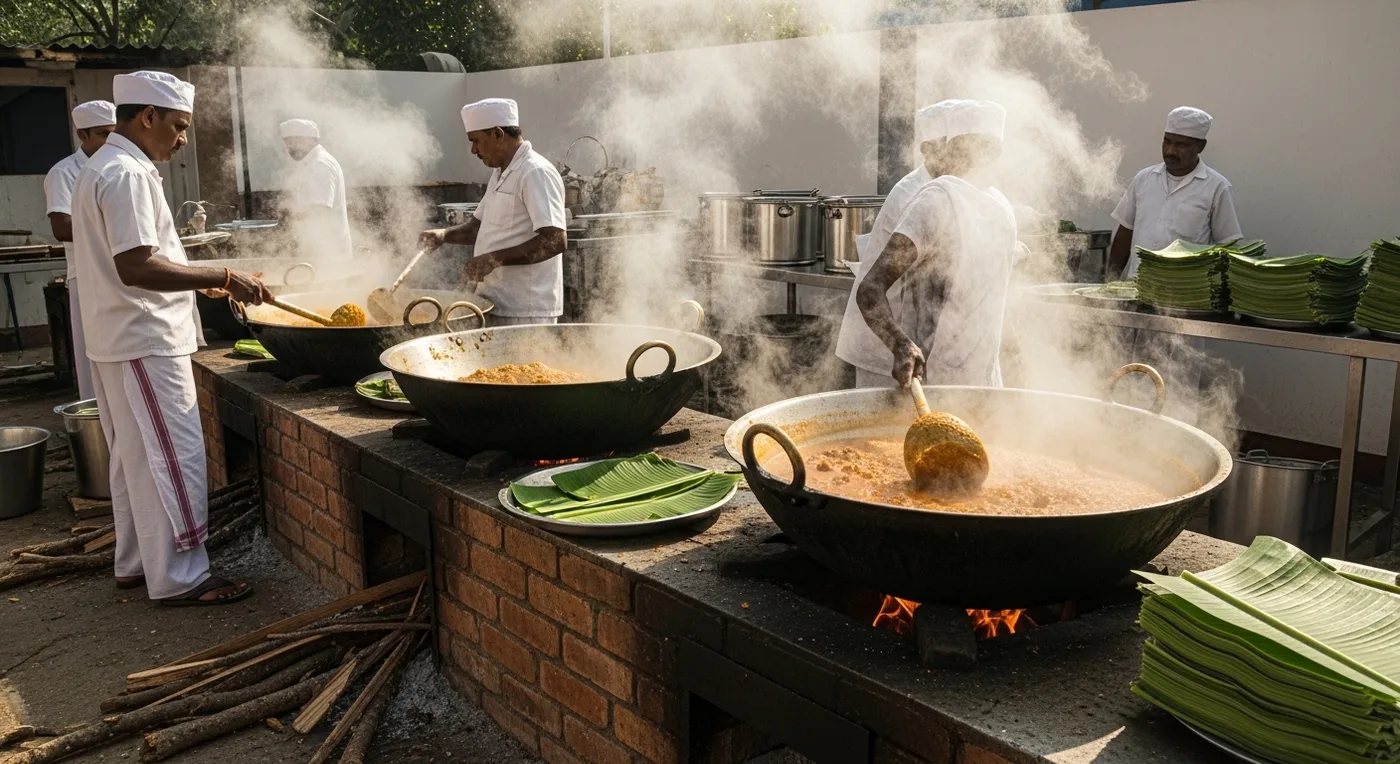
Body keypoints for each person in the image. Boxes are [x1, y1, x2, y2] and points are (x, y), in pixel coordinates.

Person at [70, 70, 270, 604]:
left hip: (121, 337)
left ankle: (137, 562)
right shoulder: (128, 174)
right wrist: (222, 277)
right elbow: (136, 265)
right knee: (172, 453)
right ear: (147, 117)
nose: (182, 140)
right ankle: (181, 577)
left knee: (135, 457)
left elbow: (140, 258)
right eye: (179, 127)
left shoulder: (105, 165)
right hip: (144, 339)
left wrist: (194, 284)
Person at [844, 99, 1018, 390]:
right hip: (915, 358)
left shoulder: (999, 205)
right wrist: (900, 343)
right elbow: (872, 289)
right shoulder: (932, 198)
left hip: (973, 375)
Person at [418, 98, 567, 326]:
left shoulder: (535, 172)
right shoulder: (500, 173)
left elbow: (556, 240)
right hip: (494, 302)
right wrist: (444, 235)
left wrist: (493, 259)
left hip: (525, 311)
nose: (473, 150)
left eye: (476, 140)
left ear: (498, 134)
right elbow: (478, 228)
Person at [1108, 106, 1242, 280]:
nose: (1171, 151)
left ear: (1200, 146)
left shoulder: (1217, 188)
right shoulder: (1143, 179)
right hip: (1137, 289)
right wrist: (1108, 286)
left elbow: (1228, 248)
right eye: (1167, 142)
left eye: (1181, 145)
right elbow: (1124, 236)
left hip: (1186, 296)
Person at [44, 100, 117, 400]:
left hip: (120, 273)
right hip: (87, 277)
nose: (108, 141)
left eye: (113, 134)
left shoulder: (118, 167)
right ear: (82, 135)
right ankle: (96, 428)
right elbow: (62, 227)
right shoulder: (64, 173)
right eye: (101, 134)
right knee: (94, 357)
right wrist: (116, 226)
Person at [278, 118, 352, 262]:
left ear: (310, 140)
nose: (290, 147)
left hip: (327, 252)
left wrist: (297, 235)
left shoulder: (320, 165)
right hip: (319, 250)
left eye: (294, 141)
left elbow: (320, 211)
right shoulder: (311, 163)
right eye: (287, 142)